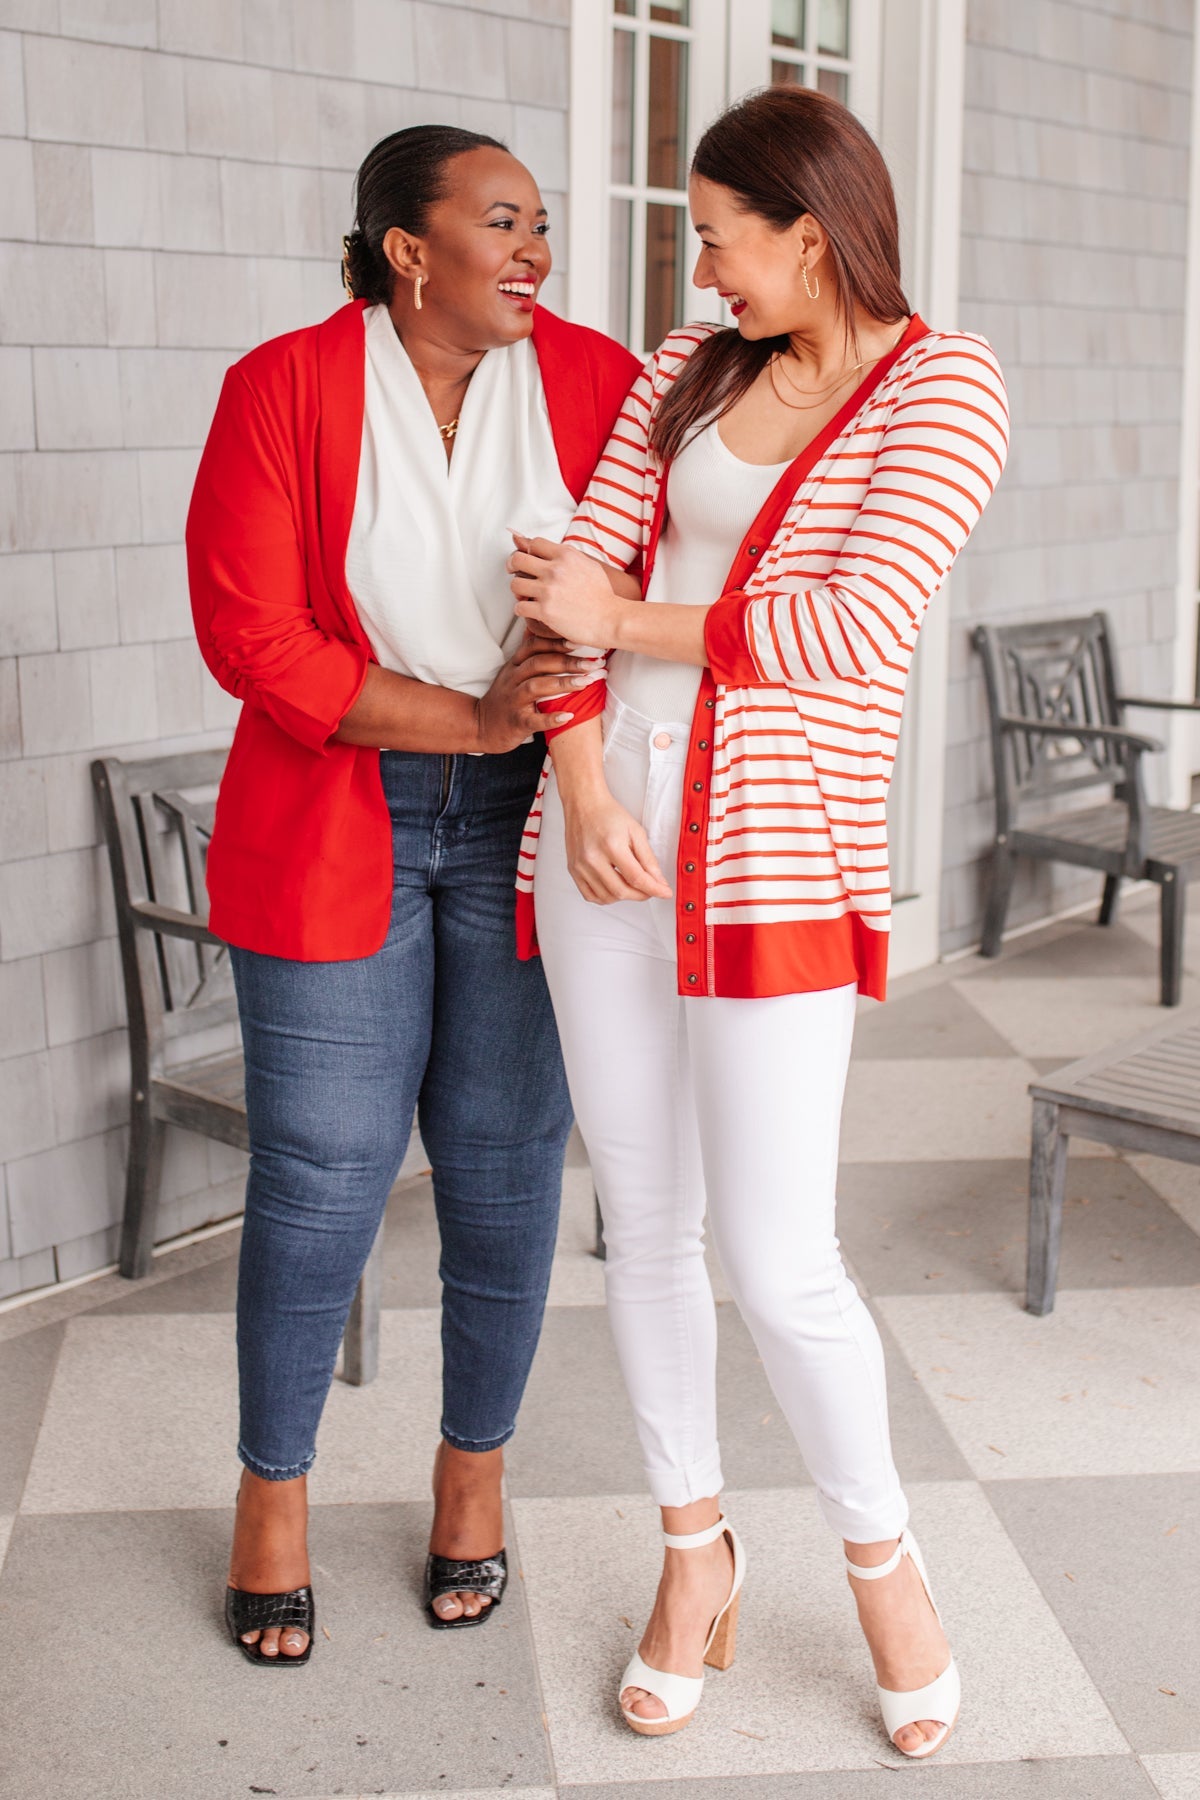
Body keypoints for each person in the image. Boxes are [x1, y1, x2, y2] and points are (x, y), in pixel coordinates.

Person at [507, 86, 1008, 1756]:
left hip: (774, 860)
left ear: (812, 229)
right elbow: (563, 598)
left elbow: (856, 626)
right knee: (644, 1227)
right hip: (602, 838)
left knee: (783, 1260)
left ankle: (883, 1567)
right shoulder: (685, 369)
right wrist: (584, 790)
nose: (703, 270)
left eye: (722, 239)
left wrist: (630, 615)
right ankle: (692, 1555)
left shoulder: (944, 385)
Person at [187, 124, 639, 1663]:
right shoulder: (282, 388)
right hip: (341, 809)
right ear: (407, 249)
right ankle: (273, 1498)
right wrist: (466, 715)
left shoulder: (595, 382)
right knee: (322, 1175)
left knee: (505, 1172)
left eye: (541, 224)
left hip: (531, 818)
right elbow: (252, 635)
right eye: (503, 222)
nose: (535, 251)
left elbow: (640, 581)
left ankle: (471, 1483)